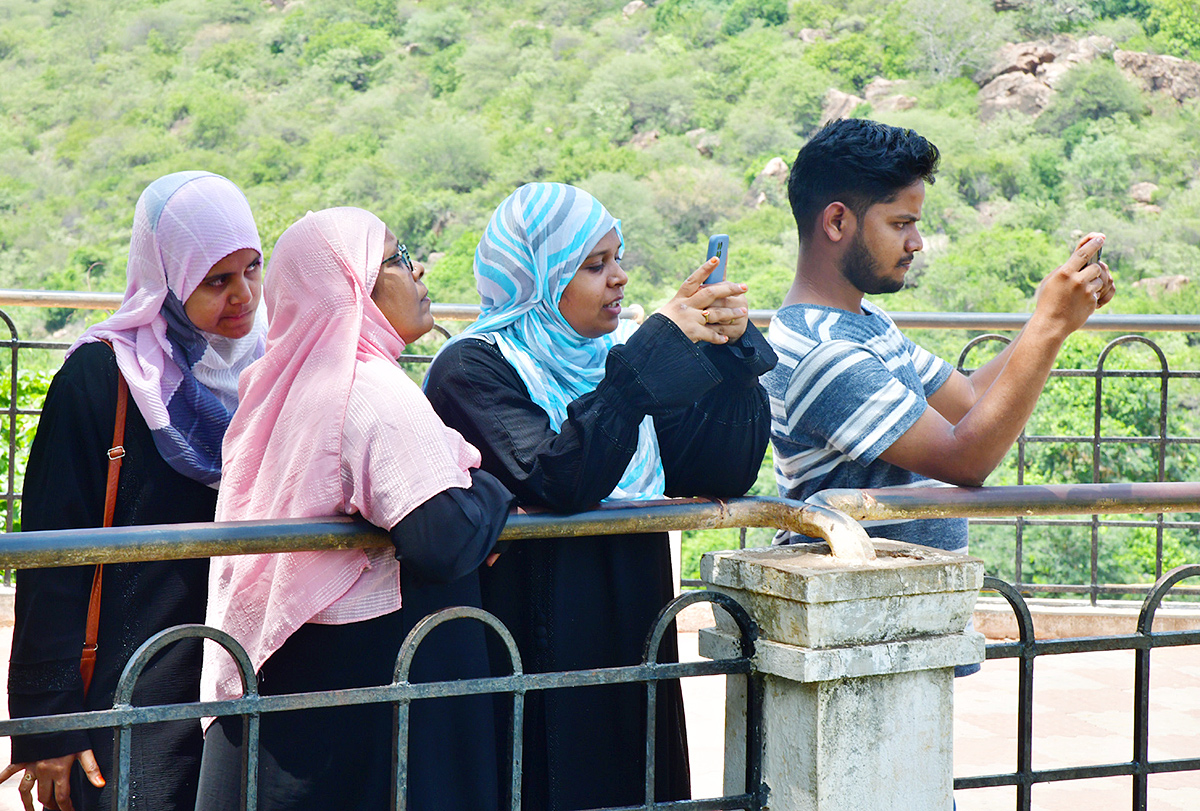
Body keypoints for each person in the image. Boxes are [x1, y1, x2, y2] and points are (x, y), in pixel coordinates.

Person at [424, 182, 778, 810]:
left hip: (631, 616)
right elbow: (559, 478)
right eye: (594, 265)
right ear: (538, 277)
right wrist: (643, 366)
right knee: (547, 779)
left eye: (617, 259)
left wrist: (730, 357)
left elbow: (718, 471)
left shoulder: (612, 361)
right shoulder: (472, 368)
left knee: (636, 777)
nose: (617, 278)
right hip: (530, 635)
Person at [196, 207, 514, 811]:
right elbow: (442, 535)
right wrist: (493, 490)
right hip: (364, 681)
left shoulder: (281, 382)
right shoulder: (370, 393)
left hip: (295, 666)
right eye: (395, 258)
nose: (417, 270)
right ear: (351, 287)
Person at [4, 171, 266, 811]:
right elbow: (52, 552)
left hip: (243, 685)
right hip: (132, 693)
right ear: (168, 280)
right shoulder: (104, 376)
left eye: (253, 270)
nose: (244, 297)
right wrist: (49, 724)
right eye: (216, 280)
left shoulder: (273, 367)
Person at [764, 118, 1115, 561]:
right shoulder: (821, 350)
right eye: (900, 223)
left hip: (902, 606)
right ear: (836, 221)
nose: (917, 242)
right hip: (861, 616)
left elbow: (968, 399)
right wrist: (1049, 324)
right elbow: (965, 460)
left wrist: (1055, 314)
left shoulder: (864, 320)